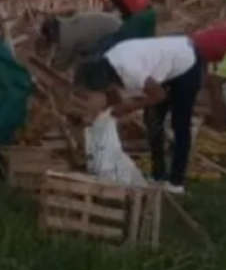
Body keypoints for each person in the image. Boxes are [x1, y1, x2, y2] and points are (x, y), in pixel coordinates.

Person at [74, 36, 204, 195]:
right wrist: (109, 111)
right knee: (152, 121)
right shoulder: (107, 65)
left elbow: (159, 96)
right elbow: (113, 94)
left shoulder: (131, 70)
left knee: (180, 124)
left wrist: (128, 108)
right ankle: (158, 175)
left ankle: (176, 181)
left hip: (186, 64)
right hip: (165, 62)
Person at [39, 13, 122, 70]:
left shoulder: (67, 38)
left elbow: (61, 64)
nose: (53, 41)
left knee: (91, 63)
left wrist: (51, 65)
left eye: (51, 39)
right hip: (114, 24)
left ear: (52, 33)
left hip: (115, 34)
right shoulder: (66, 23)